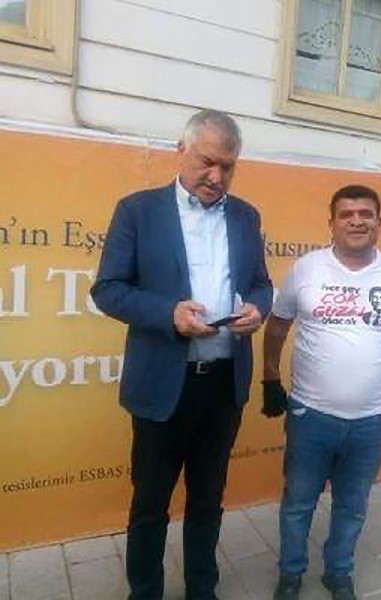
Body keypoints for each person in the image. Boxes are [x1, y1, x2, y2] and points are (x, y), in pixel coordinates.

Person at [91, 109, 273, 600]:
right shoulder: (138, 211)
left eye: (228, 167)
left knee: (208, 501)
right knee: (150, 505)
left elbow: (261, 283)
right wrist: (168, 314)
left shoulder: (246, 216)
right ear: (181, 151)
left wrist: (258, 308)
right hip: (164, 386)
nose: (216, 176)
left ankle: (202, 589)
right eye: (207, 162)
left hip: (223, 385)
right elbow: (108, 290)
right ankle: (144, 592)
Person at [262, 184, 381, 600]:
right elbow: (277, 326)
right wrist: (270, 377)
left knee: (352, 505)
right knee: (298, 504)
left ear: (379, 222)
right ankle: (291, 575)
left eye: (365, 214)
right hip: (310, 416)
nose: (356, 221)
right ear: (331, 223)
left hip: (371, 420)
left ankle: (339, 572)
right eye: (346, 214)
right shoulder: (307, 269)